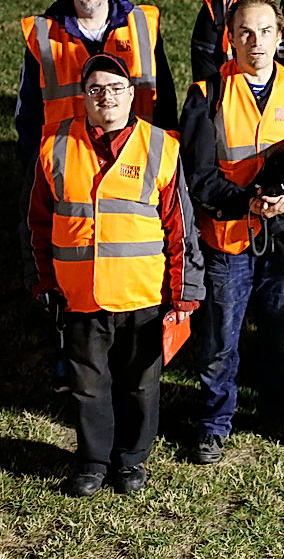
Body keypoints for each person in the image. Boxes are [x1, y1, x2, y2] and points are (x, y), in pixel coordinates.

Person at [25, 53, 203, 497]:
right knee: (87, 385)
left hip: (142, 295)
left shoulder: (161, 146)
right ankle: (92, 460)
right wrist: (43, 280)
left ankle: (131, 460)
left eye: (116, 88)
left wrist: (184, 291)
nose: (107, 97)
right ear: (83, 97)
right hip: (80, 295)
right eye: (96, 89)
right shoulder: (54, 145)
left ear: (132, 96)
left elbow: (181, 226)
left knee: (141, 384)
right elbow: (36, 222)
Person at [179, 0, 284, 464]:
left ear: (280, 37)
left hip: (281, 240)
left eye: (265, 31)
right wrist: (249, 203)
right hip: (227, 241)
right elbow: (198, 178)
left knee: (281, 336)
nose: (255, 41)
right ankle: (214, 423)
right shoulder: (207, 94)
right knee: (221, 339)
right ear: (230, 39)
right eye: (245, 32)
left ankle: (279, 412)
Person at [16, 0, 178, 167]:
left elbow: (165, 103)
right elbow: (28, 115)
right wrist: (37, 170)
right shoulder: (43, 35)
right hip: (69, 162)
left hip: (137, 159)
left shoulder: (143, 26)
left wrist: (167, 160)